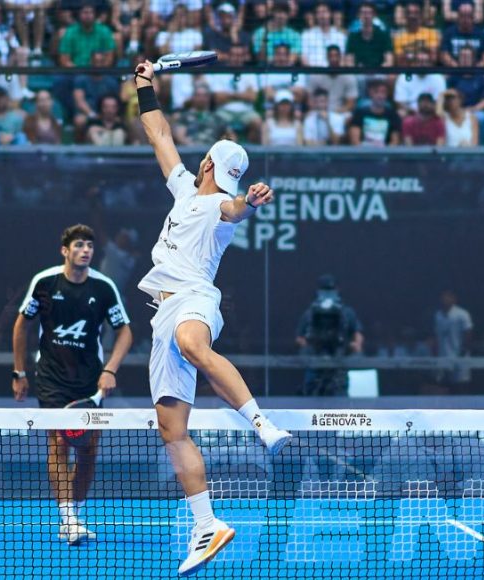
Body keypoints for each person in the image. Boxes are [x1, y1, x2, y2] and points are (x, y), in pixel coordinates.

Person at [131, 59, 292, 576]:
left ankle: (262, 425)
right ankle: (206, 525)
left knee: (193, 343)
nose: (225, 185)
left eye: (233, 183)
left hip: (195, 299)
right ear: (207, 166)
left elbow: (236, 209)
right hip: (161, 315)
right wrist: (145, 87)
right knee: (171, 428)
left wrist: (251, 199)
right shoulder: (183, 189)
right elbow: (157, 133)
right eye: (223, 177)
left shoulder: (222, 207)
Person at [12, 224, 134, 547]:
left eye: (90, 246)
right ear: (65, 250)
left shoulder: (104, 287)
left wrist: (110, 370)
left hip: (90, 382)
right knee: (58, 443)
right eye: (79, 245)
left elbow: (125, 332)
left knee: (89, 450)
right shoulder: (45, 283)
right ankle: (68, 518)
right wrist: (19, 373)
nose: (86, 251)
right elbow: (21, 326)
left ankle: (75, 517)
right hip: (51, 378)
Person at [295, 274, 364, 396]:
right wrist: (309, 345)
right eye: (324, 290)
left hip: (339, 364)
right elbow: (300, 337)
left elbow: (357, 332)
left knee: (339, 402)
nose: (327, 293)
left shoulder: (346, 312)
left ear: (337, 290)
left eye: (330, 290)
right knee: (311, 401)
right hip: (315, 364)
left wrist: (355, 345)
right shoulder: (310, 313)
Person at [434, 290, 473, 386]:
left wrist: (462, 353)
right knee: (444, 386)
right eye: (443, 297)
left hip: (459, 356)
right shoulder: (437, 315)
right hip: (442, 358)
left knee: (461, 386)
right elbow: (436, 336)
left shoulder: (462, 314)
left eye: (448, 297)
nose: (445, 299)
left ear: (454, 299)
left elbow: (468, 332)